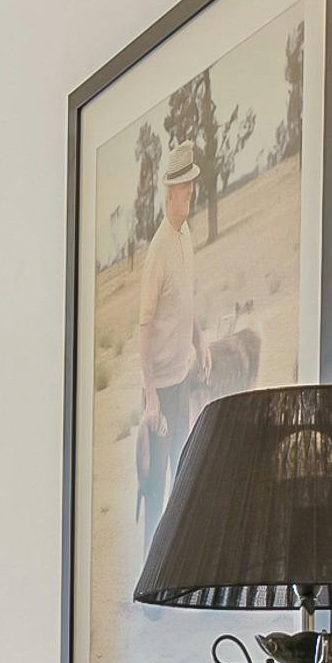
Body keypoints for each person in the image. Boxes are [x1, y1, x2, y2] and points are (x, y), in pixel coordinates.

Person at [133, 165, 205, 535]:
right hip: (159, 387)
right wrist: (150, 399)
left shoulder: (185, 235)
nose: (191, 190)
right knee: (156, 488)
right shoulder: (159, 250)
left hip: (180, 380)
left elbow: (184, 301)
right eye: (185, 186)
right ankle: (148, 574)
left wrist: (200, 341)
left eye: (192, 183)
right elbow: (144, 328)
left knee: (181, 475)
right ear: (171, 192)